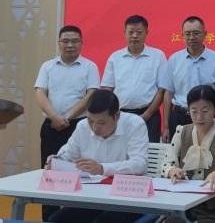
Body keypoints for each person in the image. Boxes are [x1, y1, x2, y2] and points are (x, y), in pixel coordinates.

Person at [47, 88, 149, 223]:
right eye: (90, 121)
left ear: (117, 115)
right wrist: (56, 161)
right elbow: (67, 154)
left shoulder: (135, 124)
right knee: (56, 220)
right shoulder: (82, 126)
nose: (95, 127)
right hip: (92, 197)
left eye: (101, 122)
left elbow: (139, 164)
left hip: (128, 198)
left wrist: (102, 168)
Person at [34, 24, 100, 221]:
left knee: (79, 173)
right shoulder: (48, 66)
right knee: (50, 172)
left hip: (79, 127)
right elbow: (40, 93)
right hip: (51, 126)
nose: (70, 45)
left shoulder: (90, 67)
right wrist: (54, 117)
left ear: (81, 43)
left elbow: (91, 95)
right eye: (65, 41)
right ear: (59, 43)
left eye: (74, 41)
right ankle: (49, 218)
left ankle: (74, 217)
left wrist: (68, 117)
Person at [158, 84, 215, 223]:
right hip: (183, 204)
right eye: (194, 111)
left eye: (205, 111)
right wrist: (173, 170)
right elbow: (167, 162)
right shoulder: (181, 131)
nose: (199, 117)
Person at [161, 16, 215, 142]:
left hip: (207, 118)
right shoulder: (174, 60)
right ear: (182, 35)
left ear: (205, 34)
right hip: (179, 116)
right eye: (187, 34)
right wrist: (166, 126)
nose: (191, 37)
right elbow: (168, 94)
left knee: (207, 153)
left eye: (196, 33)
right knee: (177, 153)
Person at [101, 14, 167, 142]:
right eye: (130, 32)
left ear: (147, 32)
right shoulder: (115, 57)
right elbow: (107, 89)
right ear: (124, 33)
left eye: (139, 32)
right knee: (119, 151)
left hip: (149, 116)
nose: (134, 36)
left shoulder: (158, 56)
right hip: (120, 116)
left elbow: (161, 90)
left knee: (149, 151)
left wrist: (147, 115)